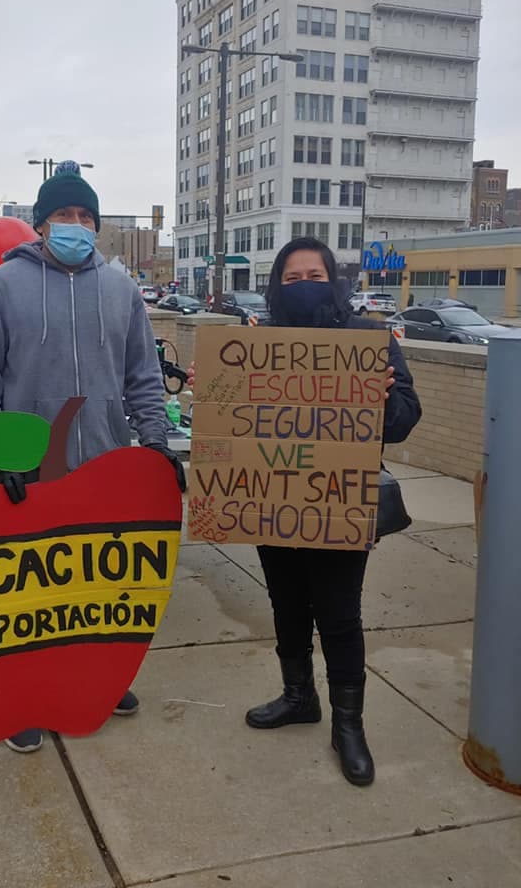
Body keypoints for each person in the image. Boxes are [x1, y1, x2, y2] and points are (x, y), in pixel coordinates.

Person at [0, 161, 186, 754]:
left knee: (97, 586)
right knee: (25, 593)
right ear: (40, 225)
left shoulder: (120, 289)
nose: (76, 225)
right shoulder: (2, 287)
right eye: (64, 215)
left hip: (105, 464)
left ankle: (99, 683)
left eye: (86, 216)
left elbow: (141, 375)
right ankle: (25, 700)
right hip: (29, 468)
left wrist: (156, 446)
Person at [189, 237, 421, 787]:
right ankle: (299, 696)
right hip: (274, 503)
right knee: (287, 603)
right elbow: (228, 418)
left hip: (338, 503)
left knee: (339, 615)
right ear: (276, 287)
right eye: (291, 279)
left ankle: (349, 726)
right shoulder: (258, 342)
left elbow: (405, 420)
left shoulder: (370, 340)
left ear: (334, 280)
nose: (303, 286)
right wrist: (215, 389)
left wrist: (384, 398)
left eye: (313, 275)